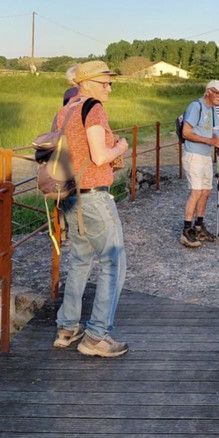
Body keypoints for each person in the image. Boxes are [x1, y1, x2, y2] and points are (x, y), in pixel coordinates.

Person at [52, 60, 130, 357]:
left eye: (110, 83)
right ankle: (96, 336)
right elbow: (99, 156)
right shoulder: (93, 108)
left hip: (71, 196)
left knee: (80, 260)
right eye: (104, 82)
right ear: (86, 83)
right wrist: (121, 147)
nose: (109, 88)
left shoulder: (65, 110)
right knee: (114, 263)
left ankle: (67, 327)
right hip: (95, 197)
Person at [180, 80, 219, 248]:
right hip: (193, 154)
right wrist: (210, 141)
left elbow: (210, 130)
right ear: (209, 92)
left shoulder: (212, 109)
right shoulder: (196, 106)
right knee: (197, 191)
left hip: (205, 155)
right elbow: (186, 132)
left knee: (206, 191)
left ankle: (199, 227)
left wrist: (217, 140)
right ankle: (186, 230)